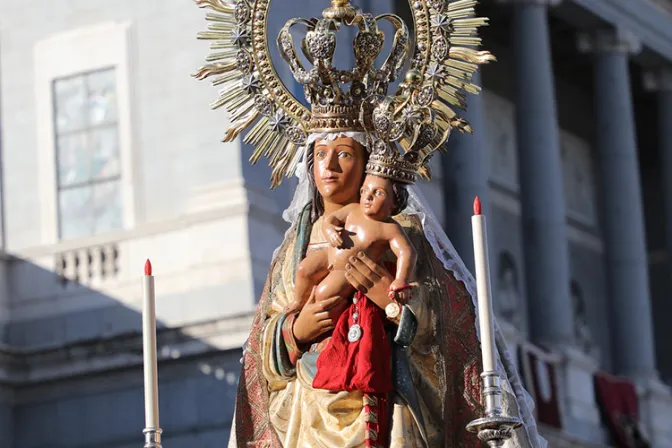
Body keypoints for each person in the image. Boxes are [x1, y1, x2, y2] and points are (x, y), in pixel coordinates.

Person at [192, 0, 546, 446]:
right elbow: (265, 341)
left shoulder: (406, 236)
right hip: (310, 414)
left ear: (368, 167)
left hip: (385, 407)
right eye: (320, 155)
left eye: (344, 155)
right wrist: (295, 331)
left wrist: (392, 303)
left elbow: (449, 335)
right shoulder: (293, 250)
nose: (330, 167)